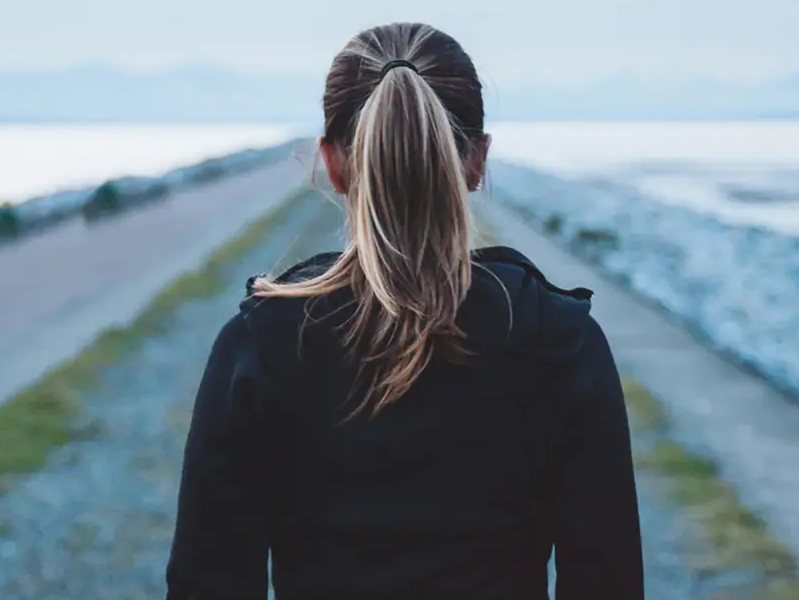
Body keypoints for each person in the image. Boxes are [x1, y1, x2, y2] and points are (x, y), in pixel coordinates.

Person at [166, 22, 643, 600]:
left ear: (333, 165)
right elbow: (607, 581)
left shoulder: (260, 341)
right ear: (477, 161)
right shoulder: (559, 339)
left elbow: (207, 581)